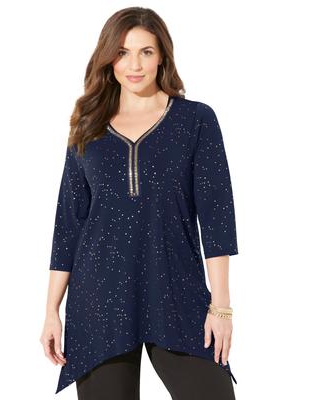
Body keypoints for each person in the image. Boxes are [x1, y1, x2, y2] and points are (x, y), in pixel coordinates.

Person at [40, 6, 239, 400]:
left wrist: (221, 307)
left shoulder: (195, 120)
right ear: (108, 58)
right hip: (98, 299)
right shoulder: (88, 125)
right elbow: (69, 224)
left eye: (146, 52)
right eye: (123, 52)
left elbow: (217, 217)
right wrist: (51, 311)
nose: (134, 65)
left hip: (176, 291)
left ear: (162, 55)